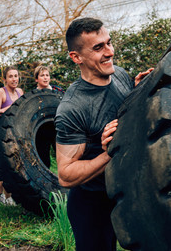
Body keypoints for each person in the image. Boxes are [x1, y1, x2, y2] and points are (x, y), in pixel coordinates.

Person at [54, 17, 152, 251]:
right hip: (92, 203)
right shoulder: (72, 108)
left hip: (125, 190)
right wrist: (109, 153)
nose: (109, 52)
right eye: (98, 48)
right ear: (76, 57)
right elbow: (65, 174)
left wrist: (137, 92)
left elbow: (123, 113)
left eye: (109, 43)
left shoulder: (118, 74)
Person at [0, 66, 24, 206]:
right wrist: (11, 107)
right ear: (4, 79)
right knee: (7, 165)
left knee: (14, 165)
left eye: (16, 76)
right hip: (2, 134)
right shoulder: (0, 92)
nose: (14, 79)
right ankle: (5, 196)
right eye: (10, 76)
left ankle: (0, 195)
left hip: (16, 132)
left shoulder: (20, 92)